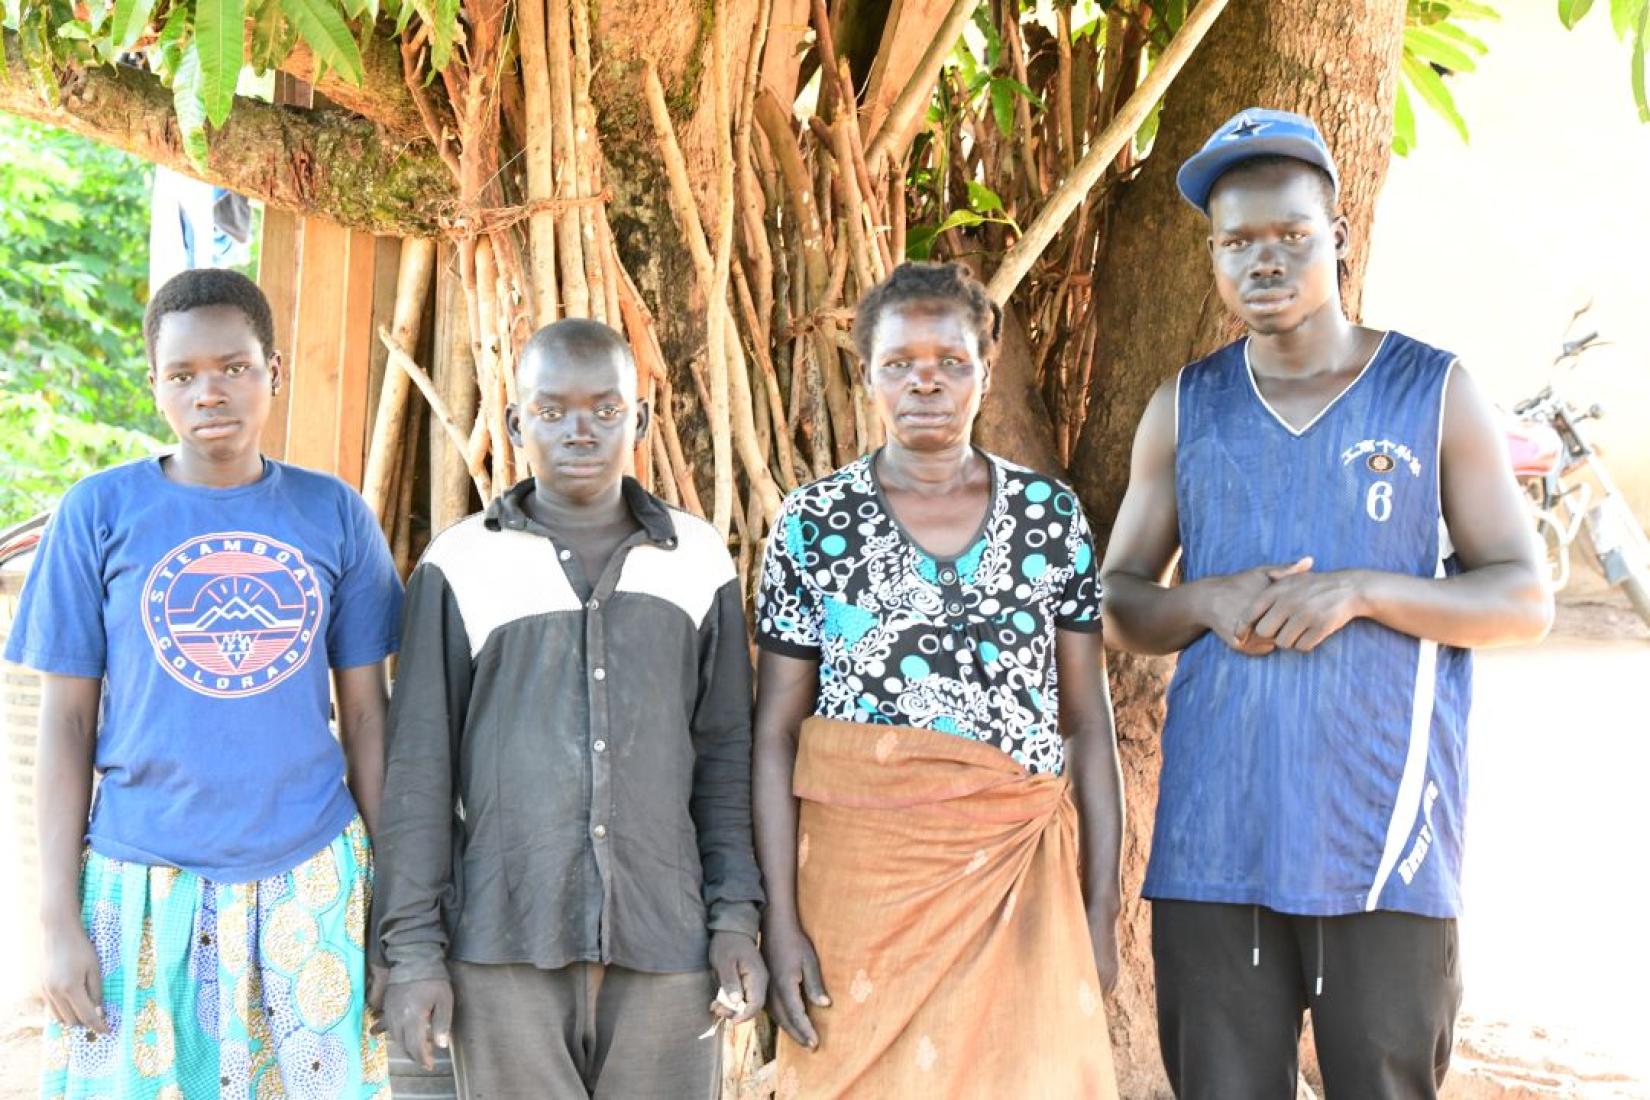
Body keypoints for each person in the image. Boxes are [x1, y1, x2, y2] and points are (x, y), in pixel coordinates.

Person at [1099, 108, 1554, 1099]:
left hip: (1385, 840)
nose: (1266, 262)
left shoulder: (1431, 392)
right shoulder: (1186, 406)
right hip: (1217, 840)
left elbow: (1525, 596)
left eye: (1292, 236)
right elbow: (1122, 602)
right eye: (1237, 244)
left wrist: (1366, 589)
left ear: (1338, 234)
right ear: (1214, 257)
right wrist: (1207, 599)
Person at [7, 268, 404, 1097]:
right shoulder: (99, 512)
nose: (210, 392)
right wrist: (56, 919)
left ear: (275, 372)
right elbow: (67, 726)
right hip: (139, 880)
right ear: (154, 383)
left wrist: (394, 901)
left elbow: (368, 719)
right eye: (183, 374)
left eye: (234, 367)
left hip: (310, 876)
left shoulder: (331, 514)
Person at [753, 261, 1123, 1099]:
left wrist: (1097, 912)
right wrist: (780, 919)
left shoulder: (1049, 519)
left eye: (952, 361)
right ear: (867, 376)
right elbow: (776, 731)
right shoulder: (814, 525)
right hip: (860, 893)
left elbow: (1086, 725)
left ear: (986, 371)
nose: (927, 380)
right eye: (900, 363)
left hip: (1019, 883)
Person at [374, 318, 766, 1099]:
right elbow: (418, 773)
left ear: (642, 419)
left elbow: (724, 759)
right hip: (504, 935)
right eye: (551, 412)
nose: (578, 431)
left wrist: (734, 919)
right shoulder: (461, 564)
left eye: (604, 409)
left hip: (665, 938)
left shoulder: (695, 563)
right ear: (516, 423)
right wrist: (413, 952)